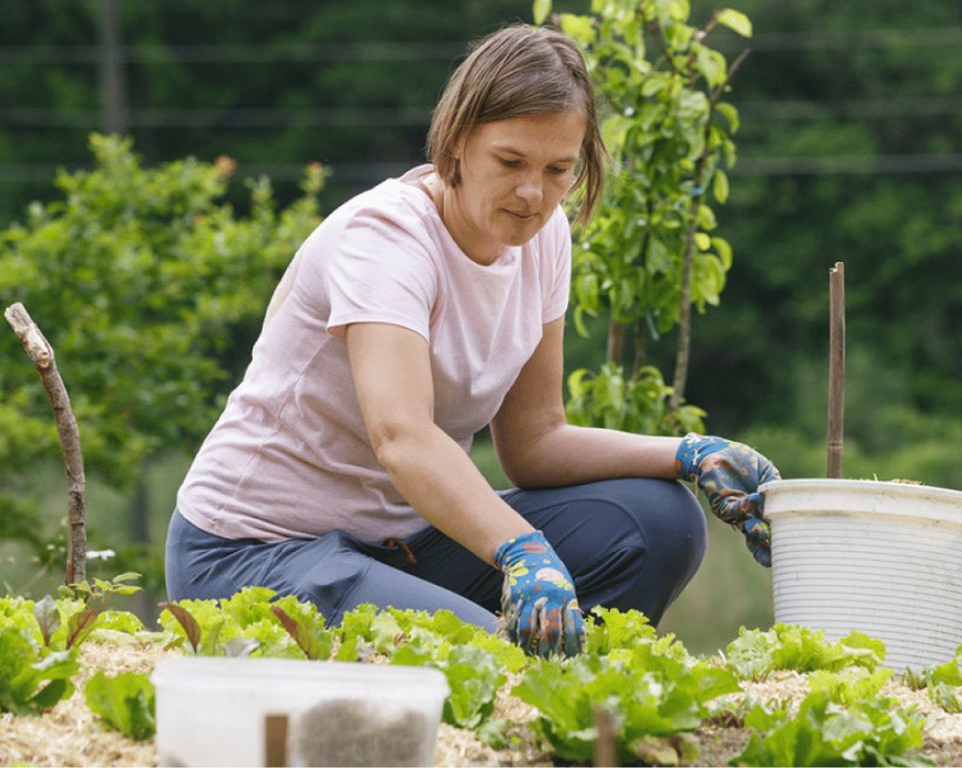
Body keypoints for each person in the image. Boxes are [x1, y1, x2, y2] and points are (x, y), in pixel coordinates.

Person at [164, 23, 780, 657]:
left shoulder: (543, 239)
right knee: (487, 658)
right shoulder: (387, 238)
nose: (532, 193)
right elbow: (401, 437)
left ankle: (572, 707)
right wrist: (521, 550)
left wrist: (691, 453)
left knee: (660, 521)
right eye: (510, 162)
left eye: (558, 169)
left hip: (402, 545)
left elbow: (536, 443)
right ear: (458, 142)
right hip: (255, 555)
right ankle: (530, 687)